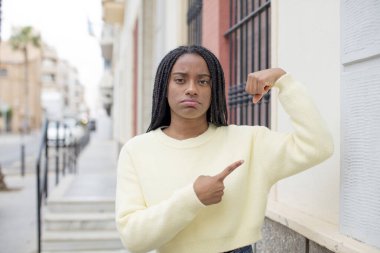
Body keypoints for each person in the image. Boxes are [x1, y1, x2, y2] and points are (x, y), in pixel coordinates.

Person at [115, 45, 334, 253]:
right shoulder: (136, 151)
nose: (191, 89)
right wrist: (193, 197)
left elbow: (318, 145)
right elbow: (133, 238)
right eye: (180, 80)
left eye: (203, 82)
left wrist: (283, 82)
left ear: (214, 90)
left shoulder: (250, 142)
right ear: (164, 86)